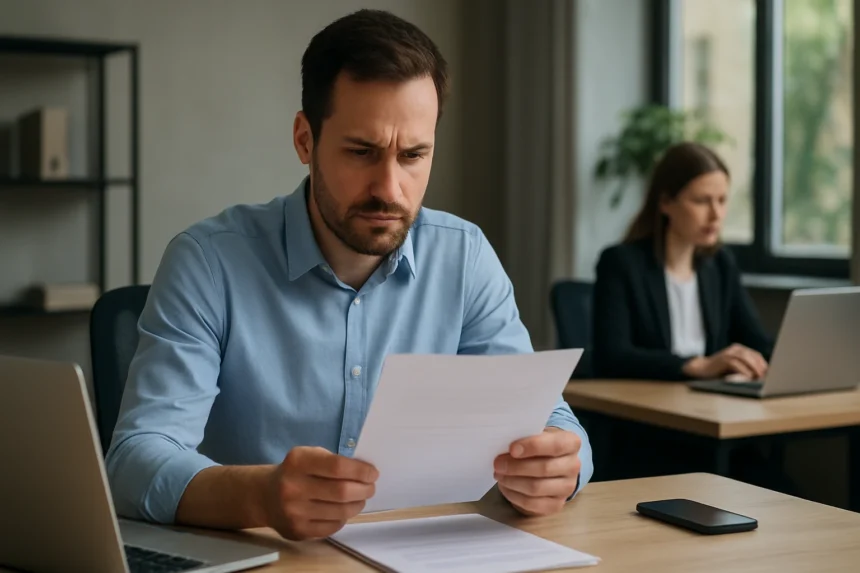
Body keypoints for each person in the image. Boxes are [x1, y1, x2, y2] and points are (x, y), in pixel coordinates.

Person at [106, 9, 593, 542]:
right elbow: (134, 462)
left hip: (423, 553)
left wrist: (559, 468)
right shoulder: (208, 262)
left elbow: (551, 420)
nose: (390, 187)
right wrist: (261, 496)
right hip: (264, 558)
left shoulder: (466, 257)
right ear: (304, 140)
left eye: (413, 155)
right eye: (362, 152)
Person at [592, 142, 773, 381]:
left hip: (707, 403)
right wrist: (696, 365)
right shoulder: (620, 263)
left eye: (722, 200)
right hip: (648, 404)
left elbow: (757, 342)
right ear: (666, 202)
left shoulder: (720, 264)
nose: (716, 215)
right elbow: (612, 356)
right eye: (701, 201)